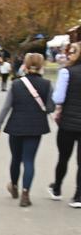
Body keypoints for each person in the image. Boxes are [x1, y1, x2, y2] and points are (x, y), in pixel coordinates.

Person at [0, 52, 54, 207]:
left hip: (16, 126)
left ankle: (14, 186)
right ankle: (26, 194)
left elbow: (6, 107)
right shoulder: (47, 84)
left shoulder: (16, 84)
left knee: (16, 158)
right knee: (29, 160)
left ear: (25, 65)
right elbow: (49, 108)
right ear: (41, 66)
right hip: (36, 127)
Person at [47, 43, 81, 207]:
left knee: (63, 157)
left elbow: (58, 98)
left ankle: (57, 188)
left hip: (68, 122)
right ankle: (78, 195)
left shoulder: (66, 72)